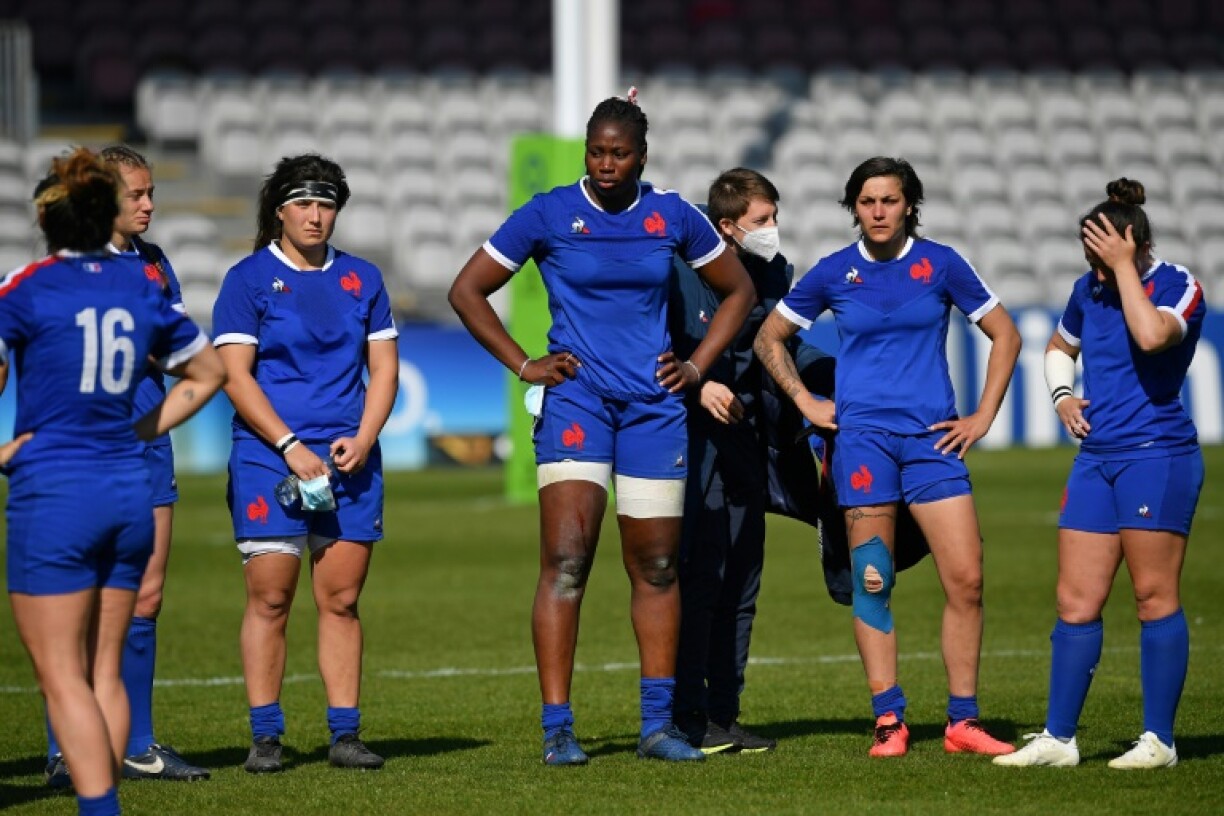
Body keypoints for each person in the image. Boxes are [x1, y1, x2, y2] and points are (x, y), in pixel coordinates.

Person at [448, 90, 756, 765]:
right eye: (596, 151)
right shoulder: (550, 213)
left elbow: (740, 291)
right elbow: (466, 290)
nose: (606, 163)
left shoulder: (672, 216)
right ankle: (558, 729)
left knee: (656, 567)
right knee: (566, 563)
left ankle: (657, 728)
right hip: (578, 407)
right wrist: (524, 365)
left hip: (653, 410)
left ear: (642, 157)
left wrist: (700, 366)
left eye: (619, 153)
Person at [753, 156, 1022, 758]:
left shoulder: (943, 264)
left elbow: (1007, 333)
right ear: (854, 208)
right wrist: (805, 399)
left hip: (932, 443)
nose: (878, 211)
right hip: (863, 446)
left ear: (909, 206)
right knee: (873, 581)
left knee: (968, 579)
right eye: (868, 201)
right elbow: (768, 336)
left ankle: (962, 723)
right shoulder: (833, 272)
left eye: (890, 200)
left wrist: (983, 416)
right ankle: (889, 719)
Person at [1, 147, 225, 816]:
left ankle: (97, 800)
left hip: (58, 485)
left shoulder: (28, 285)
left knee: (62, 668)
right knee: (105, 666)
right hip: (126, 479)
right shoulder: (139, 287)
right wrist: (142, 431)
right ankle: (106, 782)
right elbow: (209, 372)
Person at [994, 179, 1205, 770]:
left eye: (1103, 255)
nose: (1095, 270)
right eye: (1090, 259)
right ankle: (1059, 740)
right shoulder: (1089, 288)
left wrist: (1123, 268)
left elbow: (1150, 334)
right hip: (1097, 460)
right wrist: (1062, 395)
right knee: (1075, 600)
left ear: (1132, 241)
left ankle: (1159, 741)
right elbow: (1060, 345)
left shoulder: (1178, 285)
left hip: (1157, 455)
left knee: (1152, 595)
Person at [211, 154, 399, 773]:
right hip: (271, 458)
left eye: (326, 204)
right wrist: (291, 445)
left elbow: (384, 369)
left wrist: (366, 437)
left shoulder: (364, 279)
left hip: (350, 459)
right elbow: (236, 378)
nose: (316, 216)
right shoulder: (246, 280)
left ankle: (344, 734)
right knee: (271, 598)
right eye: (303, 204)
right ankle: (266, 735)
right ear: (279, 210)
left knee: (341, 600)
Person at [668, 168, 830, 754]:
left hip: (746, 441)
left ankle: (723, 712)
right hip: (688, 438)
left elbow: (779, 342)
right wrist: (696, 386)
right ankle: (685, 715)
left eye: (775, 218)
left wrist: (825, 378)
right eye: (762, 221)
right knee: (701, 578)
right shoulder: (680, 272)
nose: (773, 230)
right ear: (726, 227)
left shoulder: (773, 272)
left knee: (742, 579)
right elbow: (654, 344)